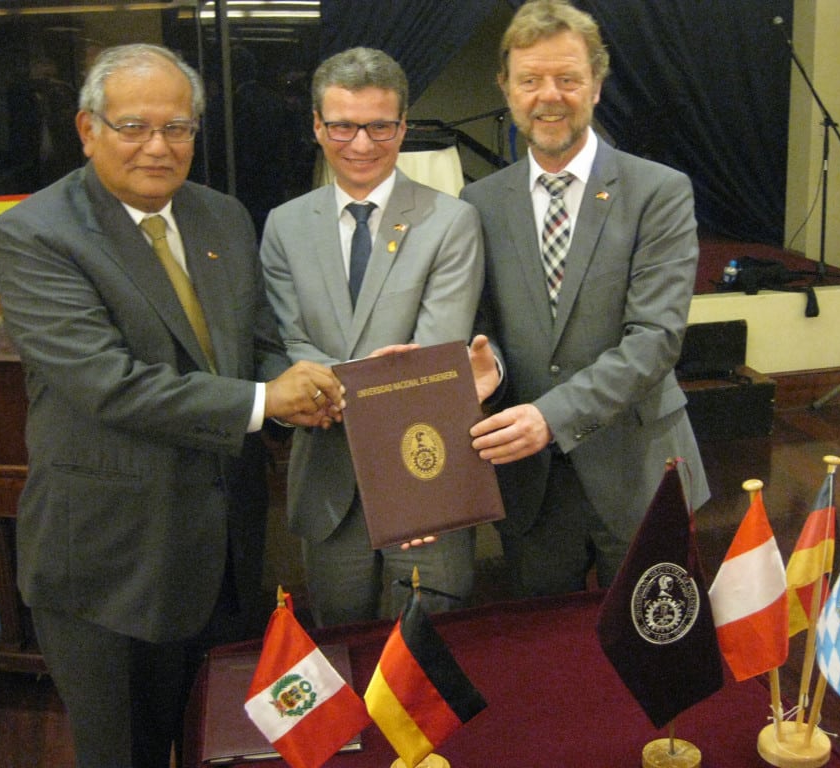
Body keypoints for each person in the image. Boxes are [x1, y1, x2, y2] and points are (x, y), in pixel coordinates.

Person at [0, 43, 342, 768]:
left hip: (224, 556)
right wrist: (261, 398)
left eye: (177, 127)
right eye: (134, 126)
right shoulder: (37, 234)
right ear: (88, 130)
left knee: (224, 747)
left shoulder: (222, 217)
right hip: (109, 566)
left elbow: (256, 345)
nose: (158, 145)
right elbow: (109, 384)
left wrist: (300, 388)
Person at [463, 0, 710, 597]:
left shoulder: (659, 192)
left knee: (655, 653)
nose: (549, 95)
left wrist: (553, 416)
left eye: (568, 79)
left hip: (638, 467)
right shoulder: (477, 202)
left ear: (597, 86)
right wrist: (487, 365)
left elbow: (655, 341)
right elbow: (485, 326)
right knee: (551, 660)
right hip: (532, 483)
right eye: (530, 80)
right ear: (506, 88)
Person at [260, 47, 484, 626]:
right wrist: (372, 378)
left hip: (424, 471)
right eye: (342, 126)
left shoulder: (450, 221)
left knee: (427, 656)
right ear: (317, 125)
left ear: (403, 126)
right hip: (329, 482)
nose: (361, 144)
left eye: (380, 126)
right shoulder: (284, 227)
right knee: (344, 650)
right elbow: (293, 346)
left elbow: (436, 353)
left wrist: (334, 382)